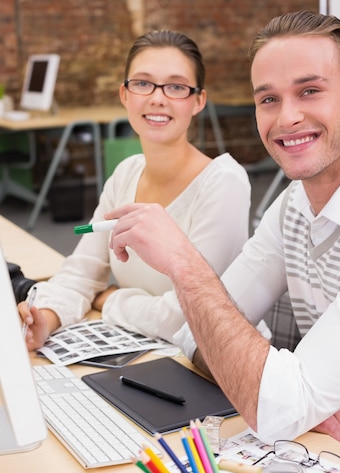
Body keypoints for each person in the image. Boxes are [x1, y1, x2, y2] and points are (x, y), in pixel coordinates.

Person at [105, 11, 340, 473]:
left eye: (309, 91)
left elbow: (270, 393)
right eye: (268, 99)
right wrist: (294, 391)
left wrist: (184, 264)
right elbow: (196, 338)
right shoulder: (294, 206)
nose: (287, 116)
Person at [20, 29, 251, 349]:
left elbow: (188, 316)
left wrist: (111, 299)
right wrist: (46, 317)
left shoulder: (223, 182)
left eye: (176, 87)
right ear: (125, 95)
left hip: (210, 366)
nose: (157, 98)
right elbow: (82, 273)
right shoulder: (127, 173)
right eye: (143, 83)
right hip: (145, 349)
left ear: (198, 101)